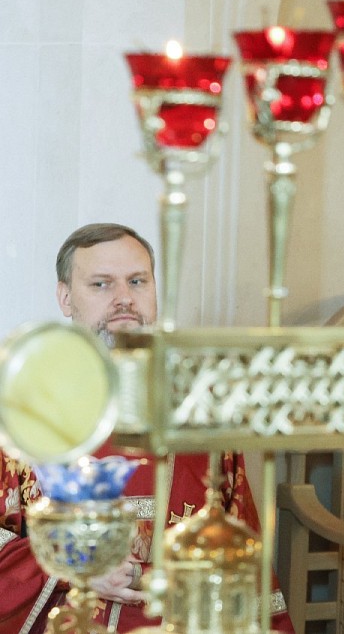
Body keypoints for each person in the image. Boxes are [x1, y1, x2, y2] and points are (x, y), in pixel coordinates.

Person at [0, 223, 293, 633]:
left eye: (137, 281)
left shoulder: (198, 413)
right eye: (101, 284)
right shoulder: (21, 410)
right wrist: (71, 567)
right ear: (65, 297)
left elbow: (238, 548)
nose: (124, 298)